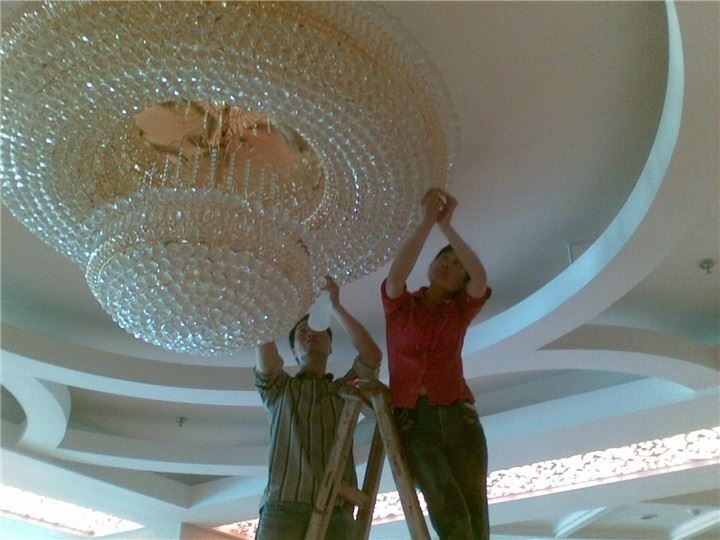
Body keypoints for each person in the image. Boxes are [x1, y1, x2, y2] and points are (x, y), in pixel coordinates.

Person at [381, 187, 492, 540]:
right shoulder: (400, 307)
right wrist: (427, 222)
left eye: (457, 265)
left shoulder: (460, 310)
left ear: (461, 283)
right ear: (430, 266)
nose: (449, 264)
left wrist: (447, 227)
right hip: (416, 422)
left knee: (475, 520)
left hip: (460, 419)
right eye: (444, 258)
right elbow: (395, 277)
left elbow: (480, 279)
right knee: (449, 513)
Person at [255, 277, 382, 540]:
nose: (310, 333)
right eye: (302, 332)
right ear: (293, 351)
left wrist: (335, 307)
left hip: (338, 508)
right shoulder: (279, 389)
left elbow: (371, 357)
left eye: (318, 329)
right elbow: (266, 359)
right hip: (283, 507)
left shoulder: (345, 391)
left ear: (331, 346)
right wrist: (270, 304)